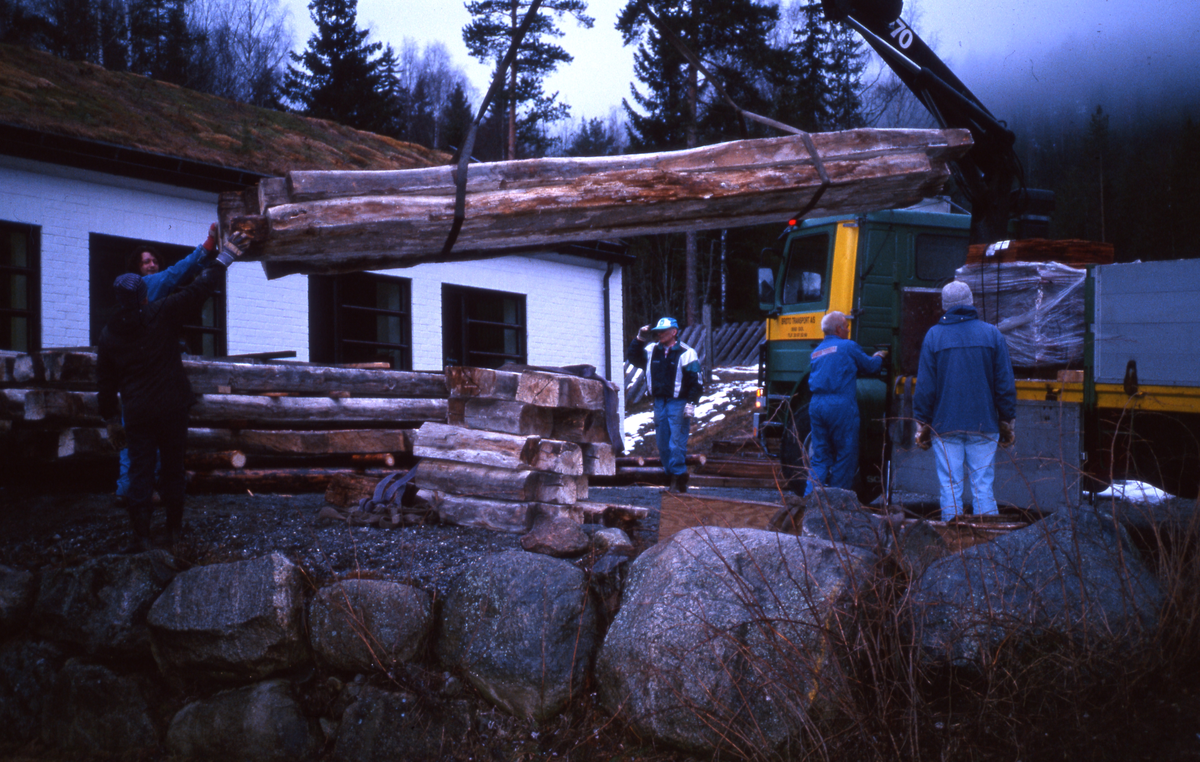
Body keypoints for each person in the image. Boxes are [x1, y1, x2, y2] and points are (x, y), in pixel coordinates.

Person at [98, 231, 249, 550]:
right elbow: (199, 289)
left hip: (137, 413)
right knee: (172, 470)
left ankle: (141, 538)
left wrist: (111, 420)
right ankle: (174, 532)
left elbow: (105, 382)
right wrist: (226, 257)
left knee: (139, 472)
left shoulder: (109, 335)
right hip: (171, 408)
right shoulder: (160, 312)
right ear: (143, 295)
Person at [114, 224, 221, 506]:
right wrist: (209, 248)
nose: (151, 265)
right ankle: (146, 494)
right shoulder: (148, 287)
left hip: (133, 383)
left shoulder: (125, 312)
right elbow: (177, 275)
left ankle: (129, 491)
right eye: (145, 262)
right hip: (150, 379)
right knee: (152, 437)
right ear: (137, 270)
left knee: (134, 440)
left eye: (154, 261)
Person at [913, 280, 1017, 521]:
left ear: (944, 306)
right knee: (983, 485)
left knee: (950, 484)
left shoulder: (934, 336)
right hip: (984, 424)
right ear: (971, 302)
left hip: (945, 425)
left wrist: (921, 423)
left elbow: (926, 387)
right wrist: (1007, 420)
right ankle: (987, 546)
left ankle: (952, 544)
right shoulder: (992, 334)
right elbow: (1004, 384)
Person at [804, 311, 887, 495]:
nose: (848, 330)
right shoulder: (848, 346)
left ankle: (810, 501)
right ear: (839, 329)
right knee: (845, 454)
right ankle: (836, 504)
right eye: (847, 326)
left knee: (820, 456)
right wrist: (880, 356)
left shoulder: (816, 352)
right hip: (839, 405)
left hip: (816, 405)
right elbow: (870, 367)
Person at [627, 316, 703, 493]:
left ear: (674, 332)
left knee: (676, 443)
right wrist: (639, 338)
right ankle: (671, 477)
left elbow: (696, 381)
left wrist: (691, 402)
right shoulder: (652, 350)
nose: (659, 334)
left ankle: (678, 479)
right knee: (662, 444)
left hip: (678, 402)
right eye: (657, 332)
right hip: (659, 402)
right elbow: (633, 357)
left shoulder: (686, 353)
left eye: (663, 331)